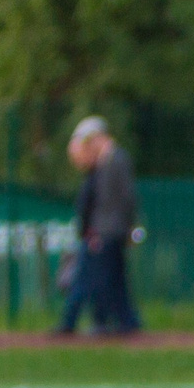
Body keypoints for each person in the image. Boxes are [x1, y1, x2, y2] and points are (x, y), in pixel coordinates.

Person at [53, 117, 140, 337]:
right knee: (114, 278)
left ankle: (80, 322)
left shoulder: (116, 160)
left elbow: (125, 198)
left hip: (107, 231)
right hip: (104, 230)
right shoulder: (102, 163)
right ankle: (128, 322)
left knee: (92, 277)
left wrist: (125, 227)